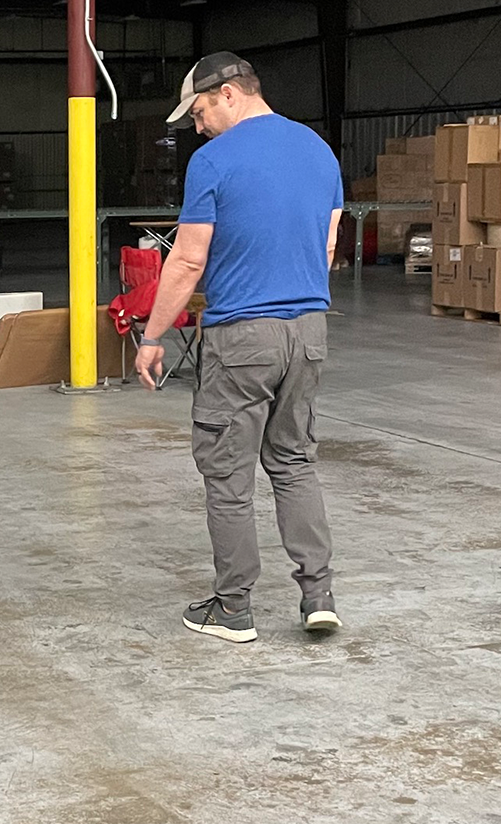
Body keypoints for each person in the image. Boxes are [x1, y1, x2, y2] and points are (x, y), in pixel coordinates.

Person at [135, 52, 343, 644]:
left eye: (199, 112)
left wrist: (153, 336)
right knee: (294, 462)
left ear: (228, 93)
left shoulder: (214, 160)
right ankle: (318, 596)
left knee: (228, 475)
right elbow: (328, 247)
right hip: (309, 330)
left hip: (242, 336)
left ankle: (232, 608)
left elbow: (188, 260)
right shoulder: (319, 151)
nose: (198, 127)